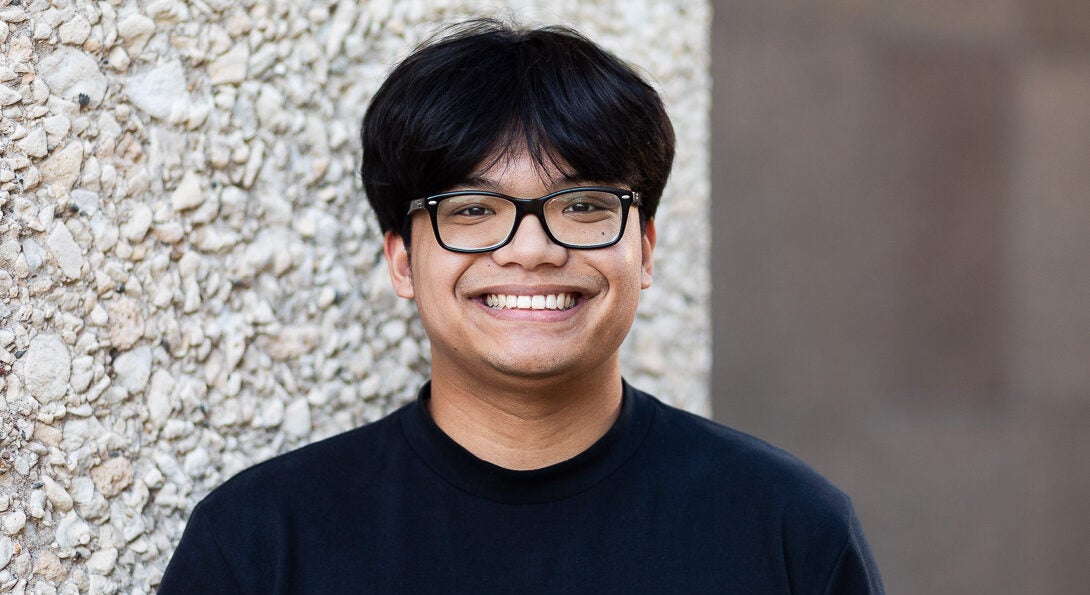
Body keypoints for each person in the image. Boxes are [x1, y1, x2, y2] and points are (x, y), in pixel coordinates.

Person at [159, 19, 884, 593]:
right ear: (403, 261)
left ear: (647, 248)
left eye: (582, 204)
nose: (532, 249)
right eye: (474, 208)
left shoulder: (788, 530)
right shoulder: (261, 543)